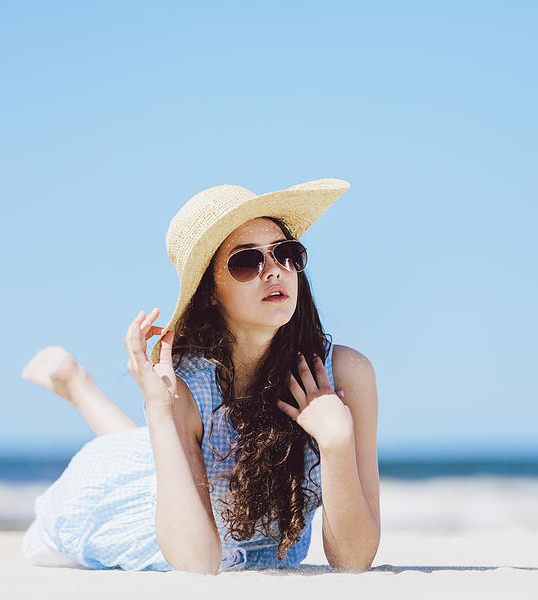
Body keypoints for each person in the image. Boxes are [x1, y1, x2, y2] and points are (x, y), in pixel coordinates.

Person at [20, 178, 381, 575]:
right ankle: (78, 385)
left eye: (286, 254)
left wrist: (336, 442)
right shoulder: (188, 385)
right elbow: (197, 564)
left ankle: (77, 385)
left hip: (226, 512)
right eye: (247, 261)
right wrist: (158, 409)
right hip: (156, 520)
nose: (275, 271)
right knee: (141, 454)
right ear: (209, 290)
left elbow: (353, 561)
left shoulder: (346, 375)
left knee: (152, 449)